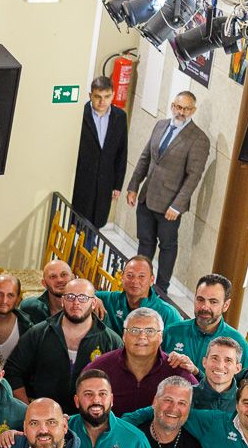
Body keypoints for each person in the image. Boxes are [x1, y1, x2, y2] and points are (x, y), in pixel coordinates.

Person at [125, 91, 212, 291]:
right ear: (173, 106)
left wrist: (177, 205)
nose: (181, 112)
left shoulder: (198, 138)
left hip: (169, 205)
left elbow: (193, 177)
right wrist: (133, 186)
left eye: (187, 109)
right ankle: (140, 281)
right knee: (145, 241)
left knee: (167, 246)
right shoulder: (161, 125)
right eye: (179, 107)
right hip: (147, 196)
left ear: (193, 110)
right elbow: (145, 157)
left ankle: (161, 288)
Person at [5, 279, 118, 411]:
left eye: (82, 297)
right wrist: (29, 410)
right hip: (44, 418)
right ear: (63, 301)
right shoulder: (38, 333)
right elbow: (12, 371)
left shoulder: (111, 341)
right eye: (70, 297)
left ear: (93, 303)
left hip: (88, 422)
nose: (76, 303)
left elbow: (119, 383)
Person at [72, 75, 129, 228]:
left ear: (113, 95)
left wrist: (117, 185)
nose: (102, 101)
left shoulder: (120, 117)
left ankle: (87, 251)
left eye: (107, 97)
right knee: (75, 223)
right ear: (90, 95)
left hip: (104, 183)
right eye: (98, 97)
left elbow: (121, 153)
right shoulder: (79, 114)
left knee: (95, 225)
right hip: (80, 181)